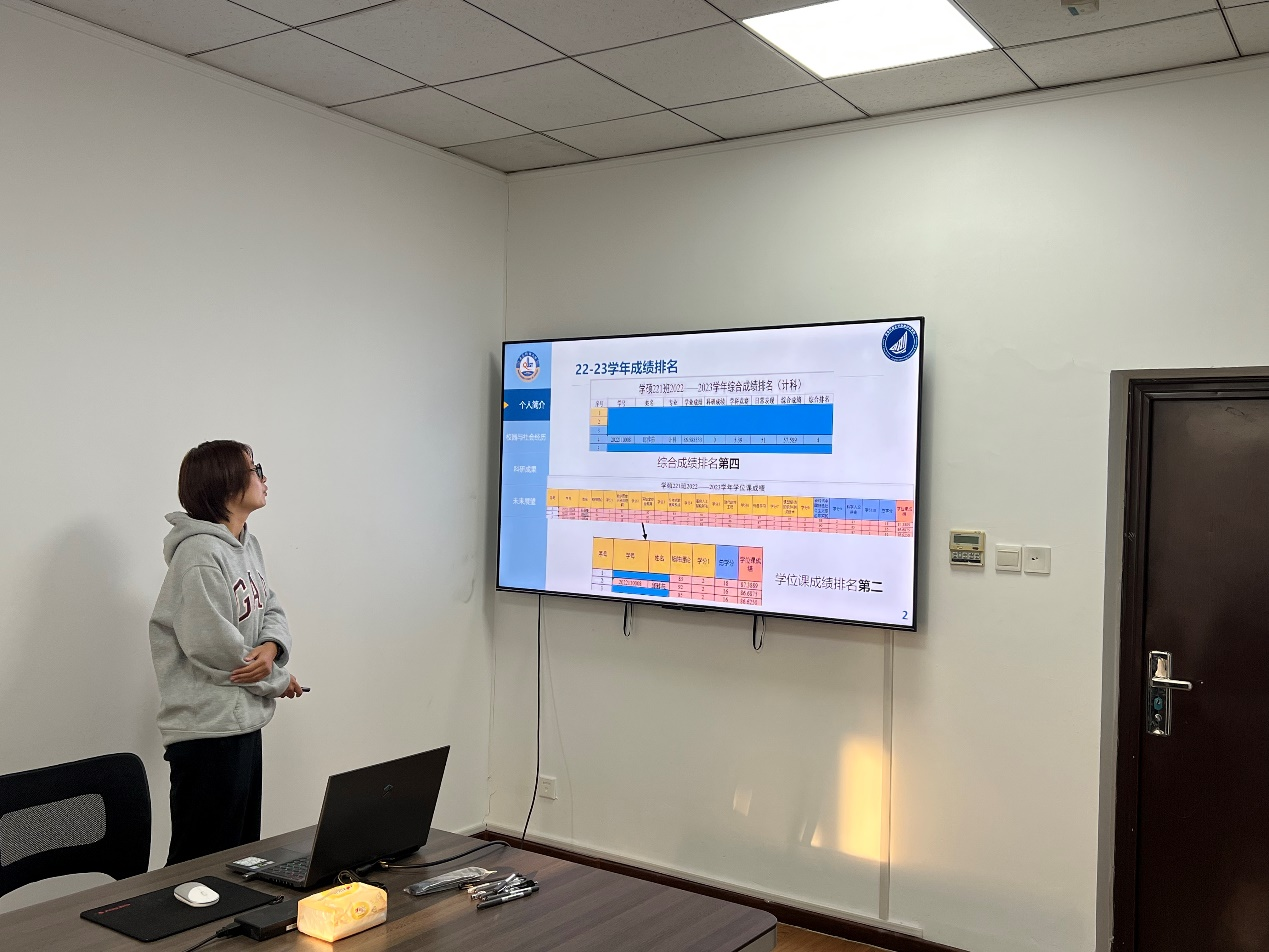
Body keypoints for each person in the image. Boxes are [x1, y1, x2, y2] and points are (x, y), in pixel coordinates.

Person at [148, 440, 303, 865]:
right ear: (226, 483)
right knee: (200, 865)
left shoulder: (247, 545)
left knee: (239, 857)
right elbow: (214, 647)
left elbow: (271, 607)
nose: (264, 478)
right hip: (207, 732)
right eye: (256, 469)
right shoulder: (199, 554)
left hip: (242, 723)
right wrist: (279, 680)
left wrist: (271, 647)